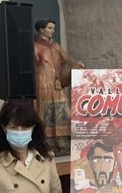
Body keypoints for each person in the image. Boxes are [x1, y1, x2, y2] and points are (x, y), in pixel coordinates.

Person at [33, 18, 84, 155]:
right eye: (49, 28)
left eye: (53, 28)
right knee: (45, 112)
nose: (52, 31)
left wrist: (76, 64)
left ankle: (63, 142)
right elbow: (33, 64)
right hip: (42, 82)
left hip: (55, 83)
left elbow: (66, 58)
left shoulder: (55, 45)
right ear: (41, 29)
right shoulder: (35, 46)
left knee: (63, 110)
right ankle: (47, 143)